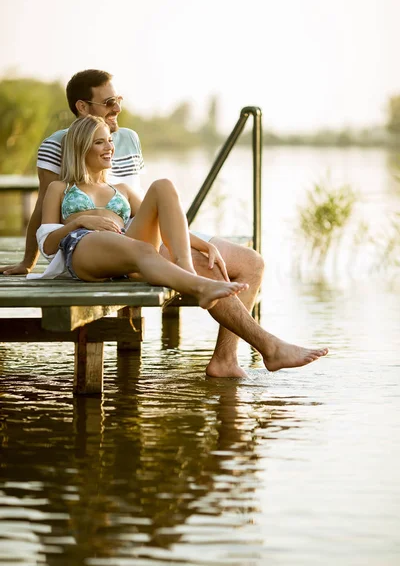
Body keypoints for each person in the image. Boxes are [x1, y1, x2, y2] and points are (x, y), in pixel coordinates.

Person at [1, 69, 327, 376]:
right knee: (199, 267)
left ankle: (226, 360)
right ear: (83, 106)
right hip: (104, 244)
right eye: (109, 102)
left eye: (120, 100)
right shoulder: (59, 147)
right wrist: (29, 262)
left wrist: (200, 241)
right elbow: (45, 212)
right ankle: (267, 346)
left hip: (146, 228)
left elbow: (146, 205)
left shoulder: (127, 139)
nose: (117, 108)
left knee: (251, 262)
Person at [33, 115, 248, 314]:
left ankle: (187, 270)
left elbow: (167, 223)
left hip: (126, 245)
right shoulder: (60, 188)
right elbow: (48, 246)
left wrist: (204, 245)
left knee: (163, 186)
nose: (109, 147)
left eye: (110, 140)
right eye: (100, 142)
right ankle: (201, 287)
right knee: (143, 250)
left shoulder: (122, 189)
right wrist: (79, 222)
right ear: (81, 148)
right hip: (84, 248)